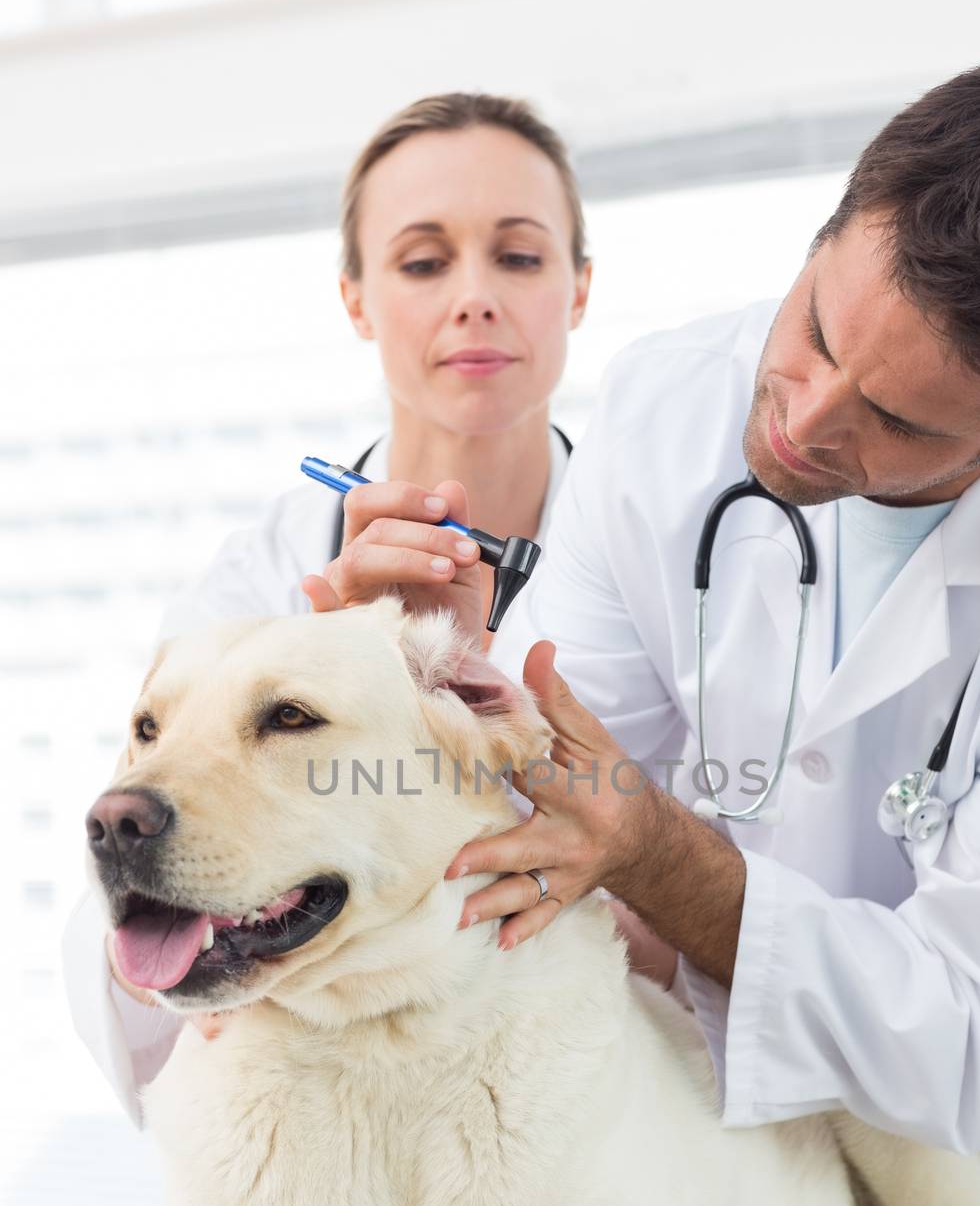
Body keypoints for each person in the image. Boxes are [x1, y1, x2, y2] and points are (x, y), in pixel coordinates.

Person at [311, 58, 980, 1195]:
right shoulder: (668, 411)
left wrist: (659, 860)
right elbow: (533, 812)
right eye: (813, 326)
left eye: (894, 418)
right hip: (738, 1172)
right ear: (823, 234)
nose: (802, 417)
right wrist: (428, 684)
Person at [63, 91, 592, 1127]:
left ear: (578, 288)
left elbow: (728, 889)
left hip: (579, 1105)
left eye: (520, 258)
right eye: (423, 261)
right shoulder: (260, 579)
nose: (474, 298)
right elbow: (145, 900)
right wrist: (341, 664)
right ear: (354, 299)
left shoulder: (667, 549)